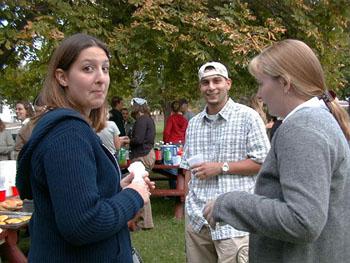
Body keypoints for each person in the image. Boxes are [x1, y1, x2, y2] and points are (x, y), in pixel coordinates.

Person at [203, 40, 350, 263]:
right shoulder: (315, 121)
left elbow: (303, 221)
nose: (260, 94)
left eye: (262, 83)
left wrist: (228, 203)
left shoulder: (303, 128)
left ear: (284, 83)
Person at [16, 33, 154, 262]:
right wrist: (134, 195)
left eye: (105, 69)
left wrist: (117, 187)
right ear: (62, 77)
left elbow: (69, 197)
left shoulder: (69, 128)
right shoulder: (68, 134)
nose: (101, 78)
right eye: (88, 69)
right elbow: (83, 224)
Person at [180, 61, 270, 263]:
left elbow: (264, 162)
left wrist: (221, 167)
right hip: (197, 220)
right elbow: (187, 168)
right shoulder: (193, 124)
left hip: (234, 221)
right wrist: (188, 203)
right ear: (200, 87)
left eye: (216, 81)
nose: (211, 87)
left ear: (228, 83)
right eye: (205, 82)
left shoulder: (249, 117)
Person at [129, 97, 155, 229]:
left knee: (140, 187)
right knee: (141, 185)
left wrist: (127, 140)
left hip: (142, 155)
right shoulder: (148, 119)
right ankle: (140, 220)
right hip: (147, 154)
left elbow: (138, 140)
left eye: (133, 105)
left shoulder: (141, 120)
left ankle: (145, 222)